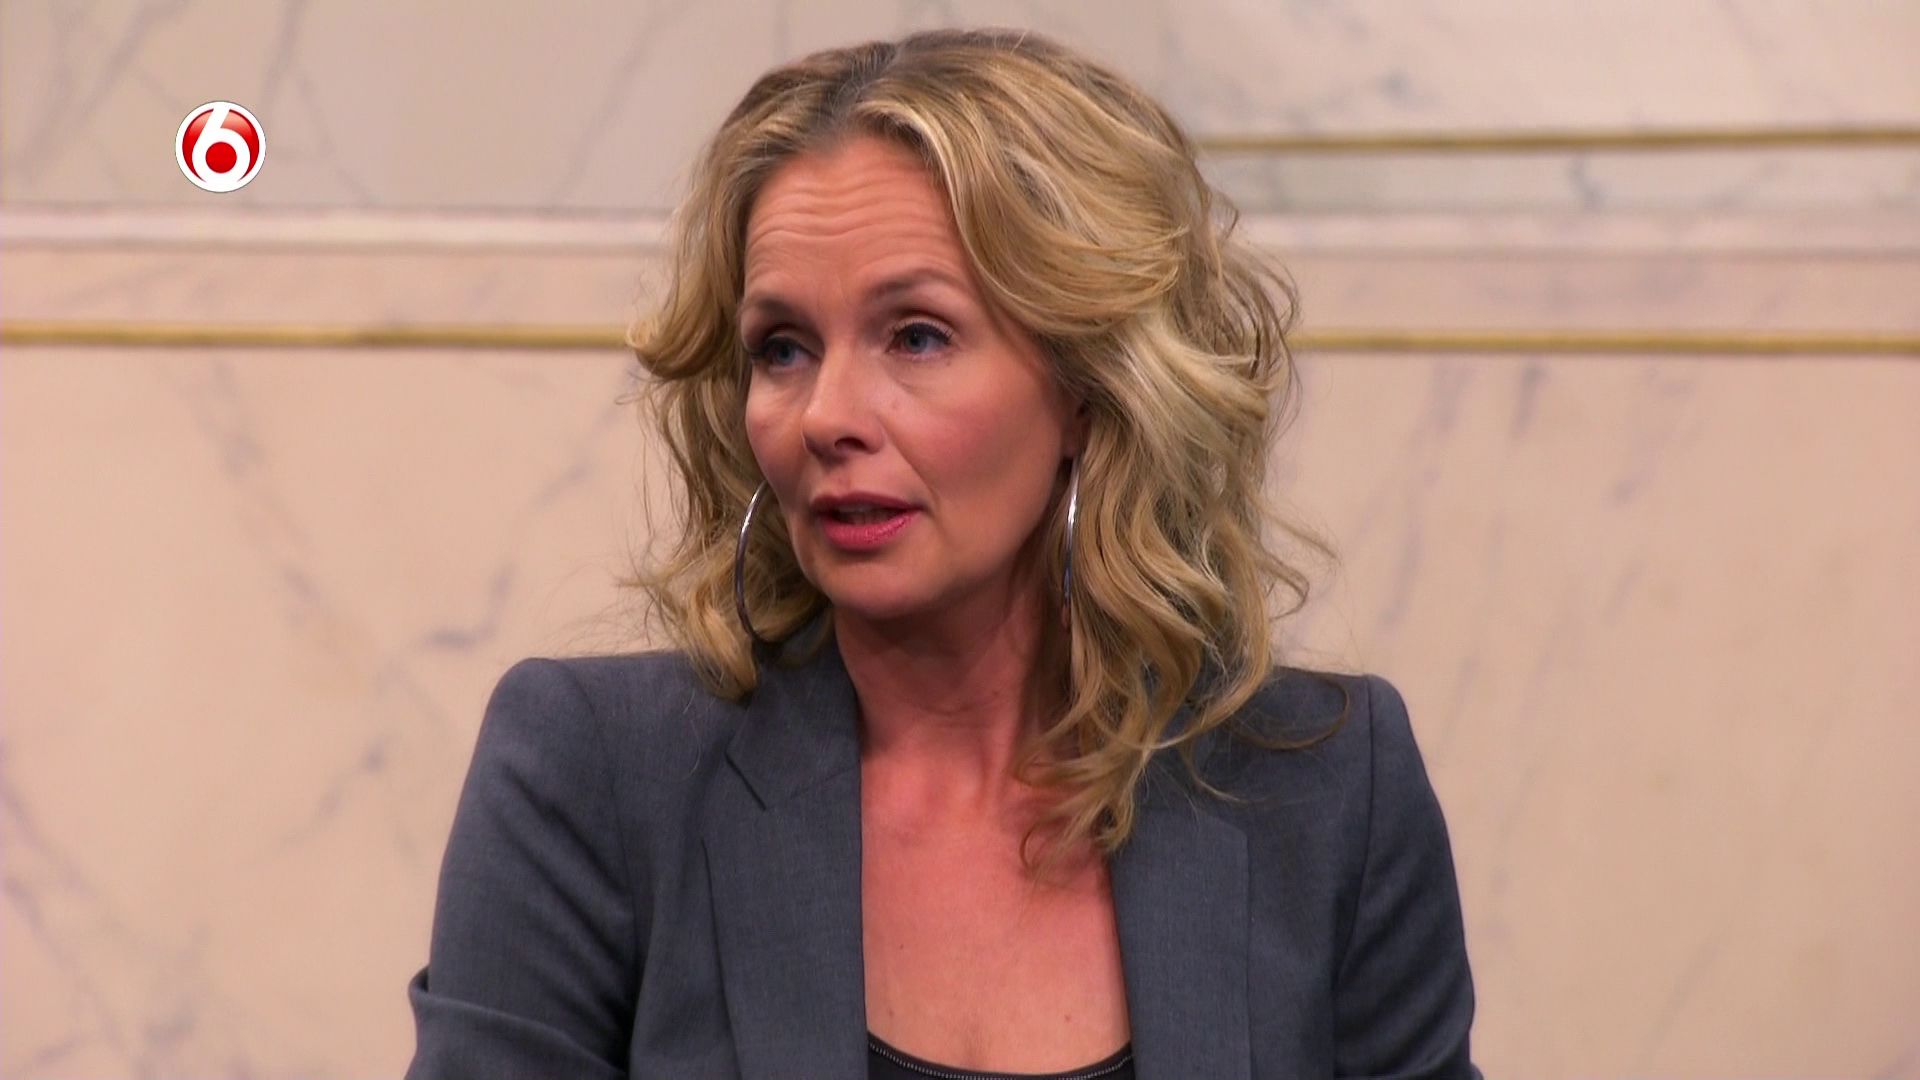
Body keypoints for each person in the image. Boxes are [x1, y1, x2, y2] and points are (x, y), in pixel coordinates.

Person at [405, 27, 1478, 1080]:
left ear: (1089, 387)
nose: (827, 416)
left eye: (916, 336)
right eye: (783, 348)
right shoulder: (596, 773)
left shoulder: (1329, 792)